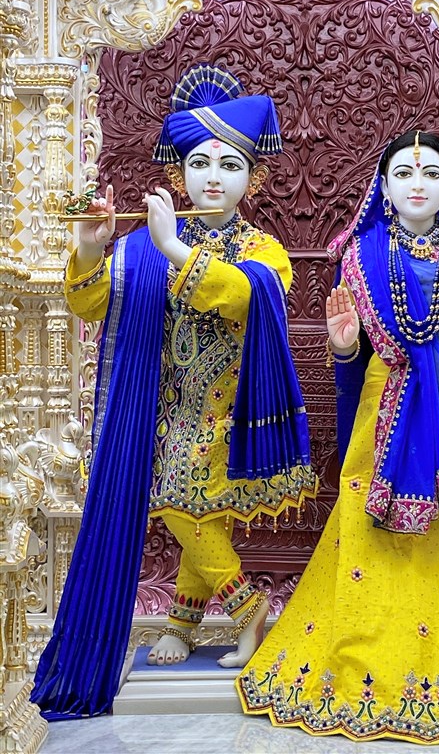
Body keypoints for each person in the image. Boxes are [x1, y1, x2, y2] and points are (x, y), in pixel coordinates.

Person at [236, 130, 439, 744]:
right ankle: (365, 663)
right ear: (384, 189)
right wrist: (342, 348)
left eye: (432, 174)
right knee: (371, 545)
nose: (418, 184)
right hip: (382, 419)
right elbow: (352, 352)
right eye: (405, 174)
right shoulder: (360, 255)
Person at [31, 64, 317, 719]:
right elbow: (91, 303)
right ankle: (185, 623)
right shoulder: (145, 246)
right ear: (178, 173)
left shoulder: (263, 249)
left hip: (236, 413)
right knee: (196, 513)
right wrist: (90, 249)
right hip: (164, 410)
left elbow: (246, 296)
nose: (213, 177)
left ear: (254, 179)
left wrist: (174, 250)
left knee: (185, 506)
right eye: (199, 163)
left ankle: (248, 610)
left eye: (230, 165)